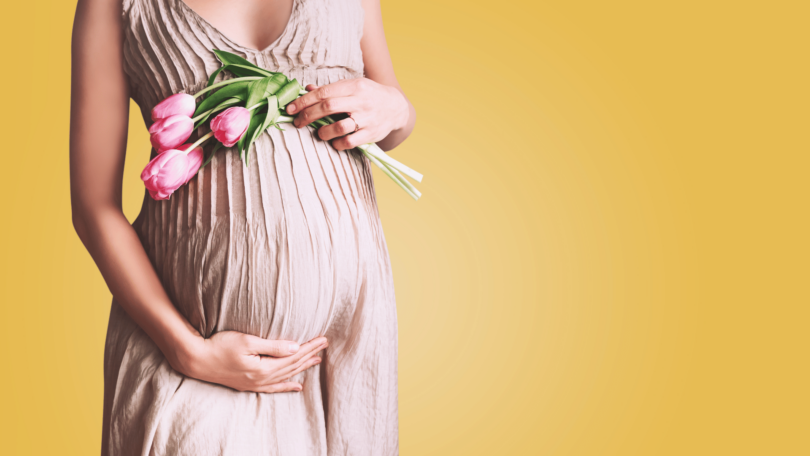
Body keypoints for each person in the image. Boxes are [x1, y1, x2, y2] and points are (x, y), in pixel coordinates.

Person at [69, 0, 415, 453]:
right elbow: (94, 207)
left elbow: (387, 124)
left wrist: (397, 109)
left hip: (343, 351)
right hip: (195, 349)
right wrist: (187, 350)